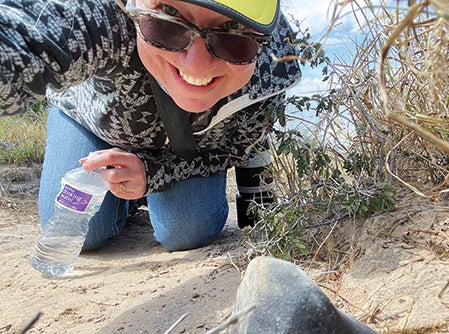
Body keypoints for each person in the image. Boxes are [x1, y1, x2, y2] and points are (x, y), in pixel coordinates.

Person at [0, 0, 301, 251]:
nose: (196, 65)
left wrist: (154, 172)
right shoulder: (103, 15)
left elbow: (234, 149)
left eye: (233, 35)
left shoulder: (274, 64)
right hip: (90, 121)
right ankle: (127, 201)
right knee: (81, 233)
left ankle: (143, 190)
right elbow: (27, 34)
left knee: (187, 232)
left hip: (186, 151)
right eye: (167, 19)